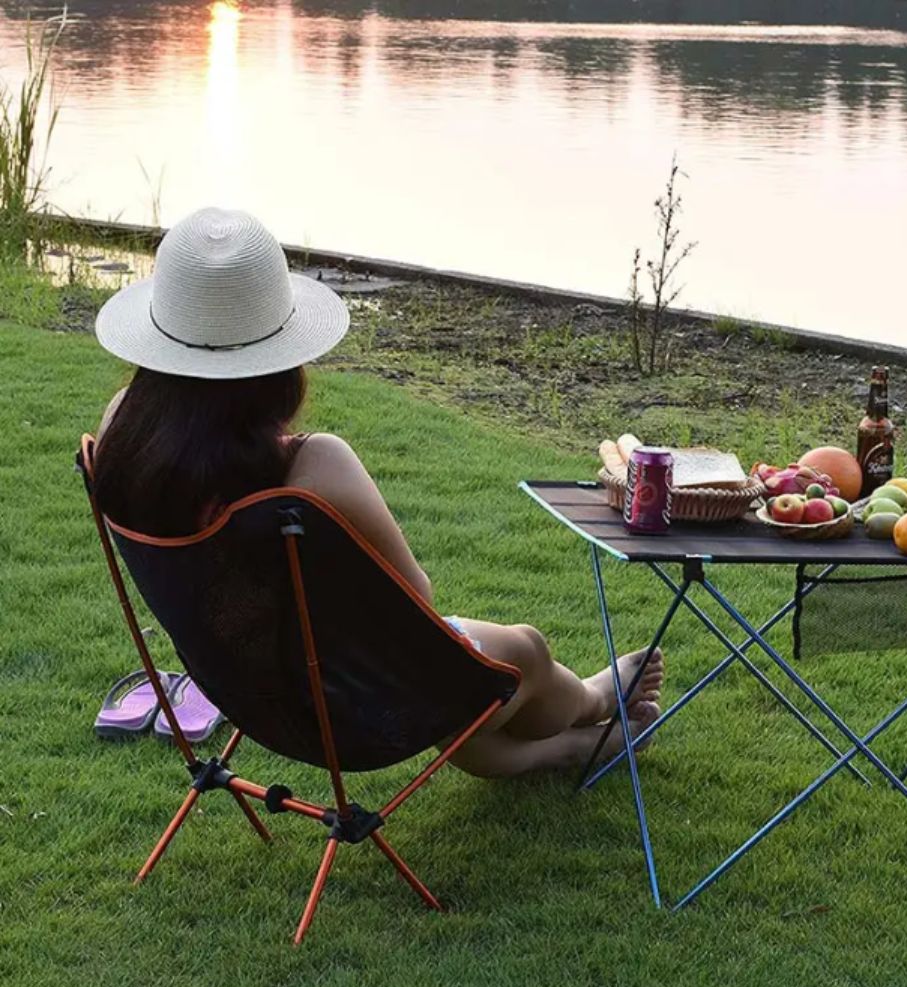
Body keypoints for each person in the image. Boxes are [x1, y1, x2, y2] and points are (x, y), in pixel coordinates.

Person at [93, 207, 663, 777]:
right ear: (279, 356)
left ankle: (569, 749)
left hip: (249, 698)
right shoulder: (314, 465)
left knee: (463, 682)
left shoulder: (123, 435)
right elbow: (417, 594)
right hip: (366, 715)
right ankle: (594, 700)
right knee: (523, 653)